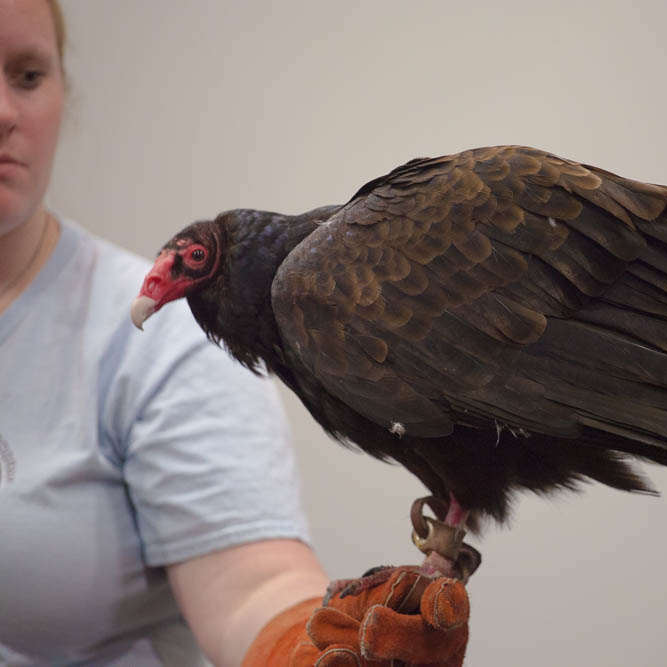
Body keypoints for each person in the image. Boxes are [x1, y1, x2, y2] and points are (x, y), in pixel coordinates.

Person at [0, 1, 469, 665]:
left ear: (62, 95)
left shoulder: (162, 345)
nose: (3, 112)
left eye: (26, 75)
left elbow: (254, 586)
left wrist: (304, 652)